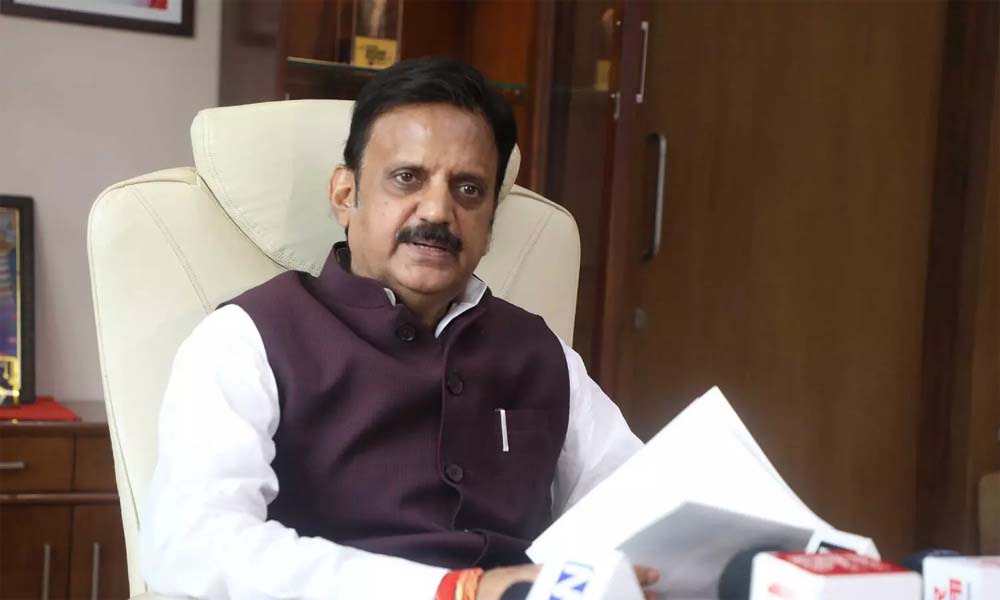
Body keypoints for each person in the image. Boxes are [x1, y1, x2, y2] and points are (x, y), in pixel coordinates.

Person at [140, 57, 655, 600]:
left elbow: (638, 506)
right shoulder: (246, 340)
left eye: (469, 189)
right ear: (345, 195)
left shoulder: (541, 354)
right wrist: (460, 590)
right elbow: (192, 545)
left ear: (489, 225)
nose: (437, 211)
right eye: (407, 178)